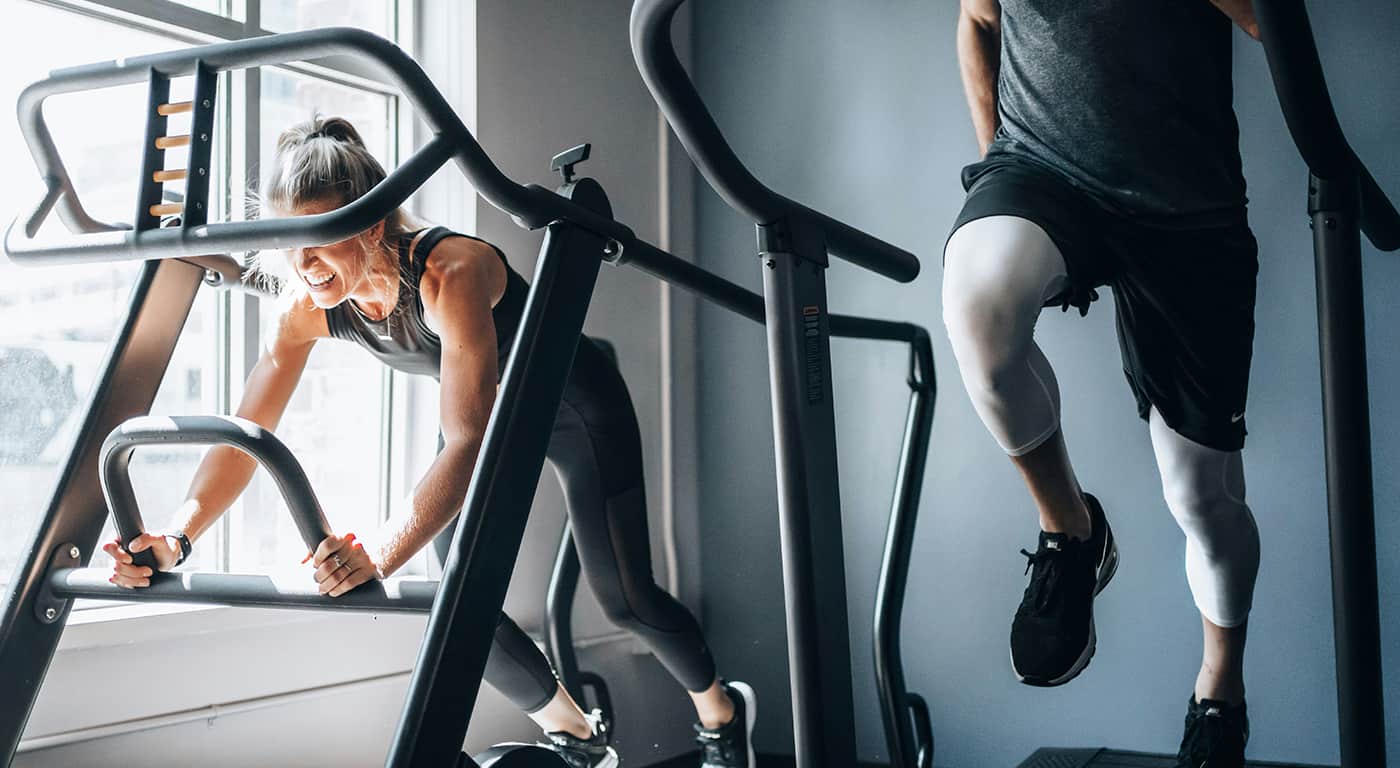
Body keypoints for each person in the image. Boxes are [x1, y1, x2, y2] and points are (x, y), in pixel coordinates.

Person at [102, 115, 757, 768]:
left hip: (579, 409)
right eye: (289, 242)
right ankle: (581, 738)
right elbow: (246, 438)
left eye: (319, 239)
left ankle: (723, 716)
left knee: (626, 599)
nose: (304, 265)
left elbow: (469, 441)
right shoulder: (308, 306)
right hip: (493, 420)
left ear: (370, 223)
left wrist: (379, 555)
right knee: (460, 589)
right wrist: (177, 537)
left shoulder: (449, 271)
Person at [946, 1, 1264, 766]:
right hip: (1042, 171)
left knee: (1201, 496)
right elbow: (981, 20)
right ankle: (1071, 531)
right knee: (977, 305)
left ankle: (1219, 688)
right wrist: (995, 157)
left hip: (1187, 206)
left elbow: (1266, 21)